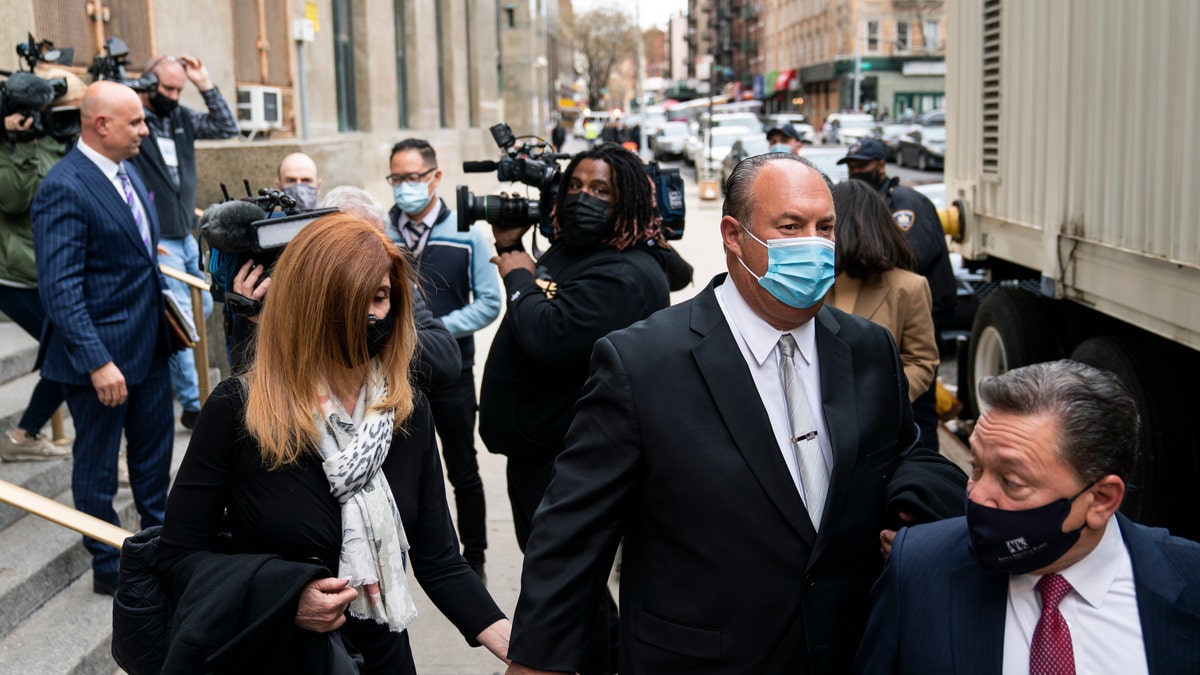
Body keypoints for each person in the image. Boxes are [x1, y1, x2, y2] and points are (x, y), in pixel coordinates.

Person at [501, 153, 966, 675]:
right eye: (790, 227)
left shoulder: (867, 348)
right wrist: (536, 662)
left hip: (847, 652)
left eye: (825, 227)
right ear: (734, 234)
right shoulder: (642, 363)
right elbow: (571, 534)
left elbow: (903, 453)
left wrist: (917, 503)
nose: (814, 244)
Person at [158, 214, 511, 673]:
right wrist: (287, 595)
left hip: (384, 657)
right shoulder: (238, 410)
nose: (368, 314)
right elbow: (178, 557)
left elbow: (439, 559)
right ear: (307, 303)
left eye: (380, 297)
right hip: (279, 655)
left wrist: (518, 645)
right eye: (348, 298)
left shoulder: (406, 410)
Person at [857, 359, 1200, 673]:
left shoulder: (1190, 581)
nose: (977, 495)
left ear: (1101, 499)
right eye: (976, 467)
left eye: (1012, 481)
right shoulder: (917, 568)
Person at [481, 141, 678, 674]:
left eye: (601, 191)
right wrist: (514, 247)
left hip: (567, 458)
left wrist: (518, 276)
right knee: (573, 587)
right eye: (576, 187)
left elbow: (550, 335)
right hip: (536, 454)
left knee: (568, 585)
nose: (583, 199)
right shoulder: (577, 252)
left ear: (629, 203)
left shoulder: (625, 273)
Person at [32, 81, 175, 595]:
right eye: (135, 121)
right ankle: (108, 566)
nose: (145, 129)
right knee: (96, 468)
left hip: (150, 348)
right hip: (99, 362)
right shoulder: (63, 187)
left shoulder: (128, 171)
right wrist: (96, 361)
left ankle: (158, 553)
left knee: (154, 463)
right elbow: (60, 288)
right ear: (101, 125)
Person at [385, 138, 501, 580]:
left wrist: (430, 335)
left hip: (452, 372)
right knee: (401, 469)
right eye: (396, 178)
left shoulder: (467, 232)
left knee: (462, 469)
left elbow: (489, 302)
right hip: (397, 375)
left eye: (413, 177)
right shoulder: (382, 231)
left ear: (435, 178)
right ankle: (403, 558)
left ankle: (475, 559)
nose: (404, 186)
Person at [128, 53, 238, 430]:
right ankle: (194, 405)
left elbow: (226, 127)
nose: (173, 95)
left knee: (201, 307)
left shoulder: (180, 117)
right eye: (167, 88)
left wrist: (203, 83)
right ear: (147, 84)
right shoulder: (134, 121)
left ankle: (176, 371)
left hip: (186, 237)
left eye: (179, 89)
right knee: (182, 321)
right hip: (159, 241)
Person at [838, 137, 955, 450]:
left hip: (921, 312)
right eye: (850, 166)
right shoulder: (821, 283)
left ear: (881, 165)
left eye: (861, 165)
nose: (855, 172)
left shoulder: (905, 203)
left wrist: (883, 400)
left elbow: (920, 360)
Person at [0, 66, 85, 462]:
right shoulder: (13, 141)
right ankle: (26, 435)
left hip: (46, 268)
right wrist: (22, 143)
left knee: (67, 351)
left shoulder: (56, 138)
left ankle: (22, 434)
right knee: (69, 350)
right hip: (14, 274)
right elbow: (16, 198)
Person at [319, 185, 461, 389]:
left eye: (379, 241)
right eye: (357, 242)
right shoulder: (304, 292)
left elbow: (446, 361)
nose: (373, 253)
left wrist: (387, 328)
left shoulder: (394, 288)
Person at [826, 180, 938, 403]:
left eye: (826, 225)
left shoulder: (908, 287)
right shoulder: (808, 281)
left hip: (877, 424)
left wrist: (881, 402)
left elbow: (921, 362)